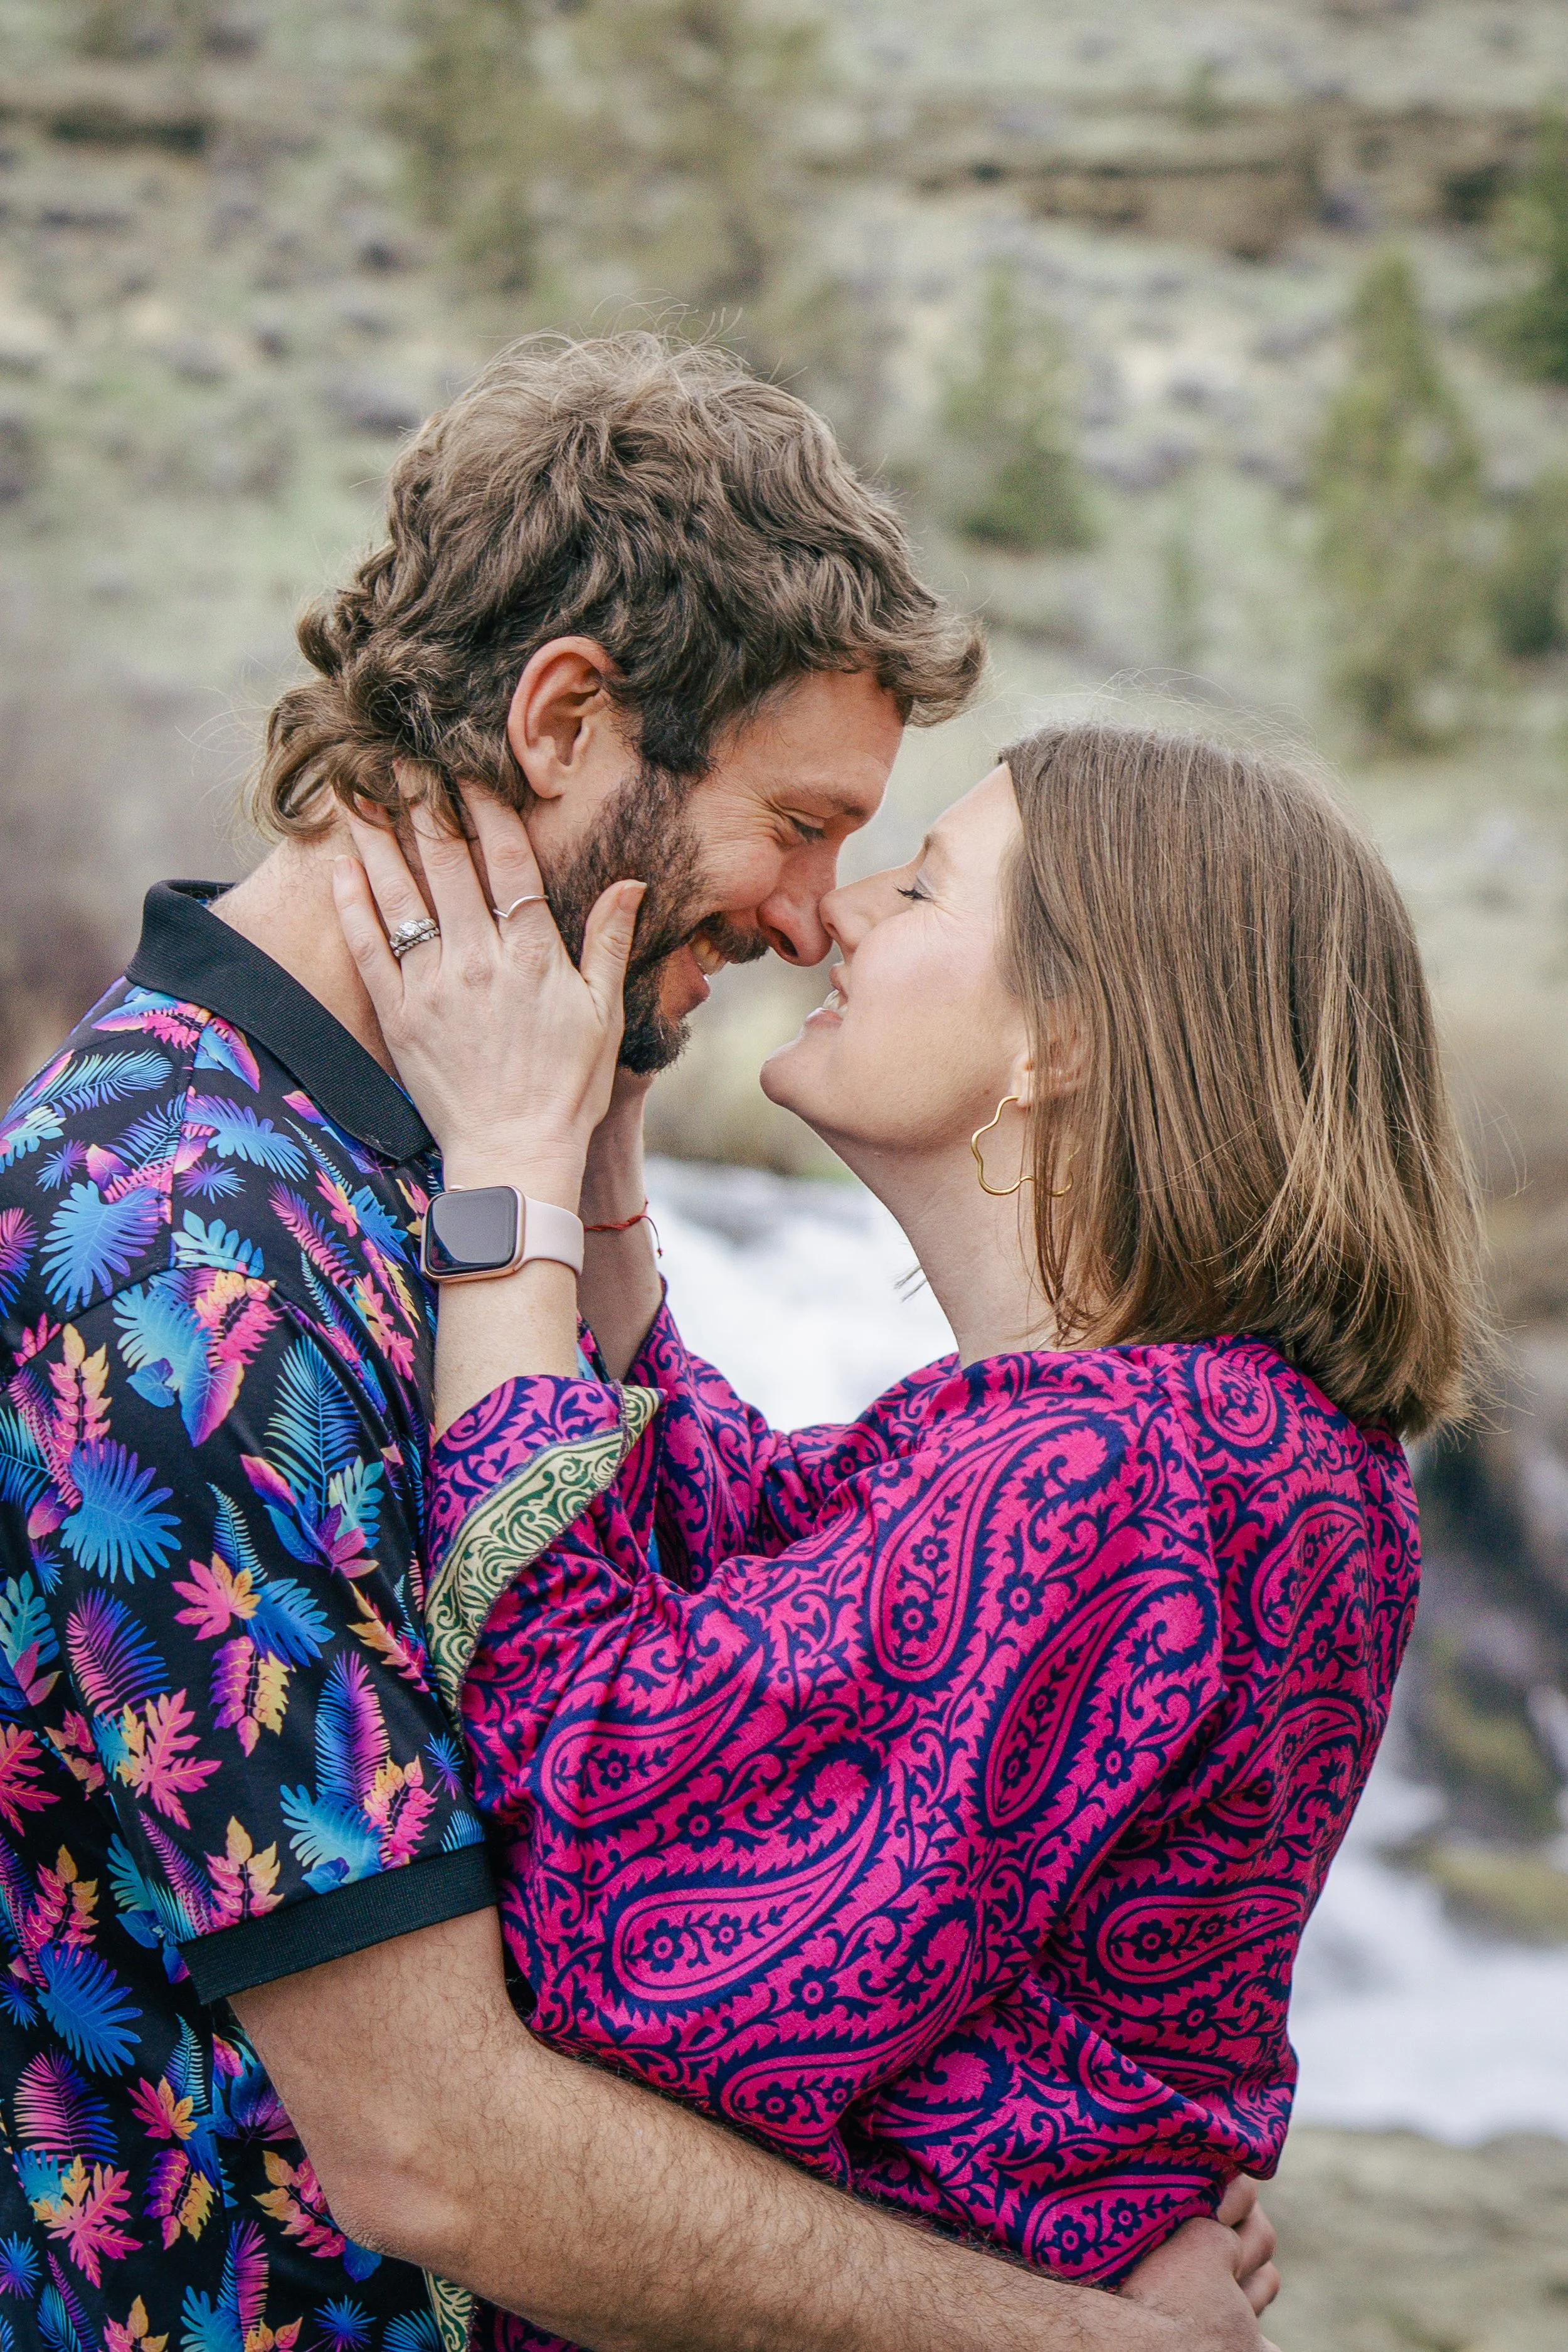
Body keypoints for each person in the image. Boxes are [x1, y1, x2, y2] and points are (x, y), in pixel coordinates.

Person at [0, 338, 1276, 2352]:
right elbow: (435, 2143)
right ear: (569, 717)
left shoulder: (425, 1169)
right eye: (798, 820)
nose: (812, 917)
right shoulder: (177, 1247)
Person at [330, 721, 1488, 2351]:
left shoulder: (1105, 1467)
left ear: (1064, 1036)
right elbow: (750, 1559)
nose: (846, 911)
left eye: (928, 882)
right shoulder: (1218, 1432)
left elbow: (605, 1842)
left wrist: (499, 1180)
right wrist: (597, 1170)